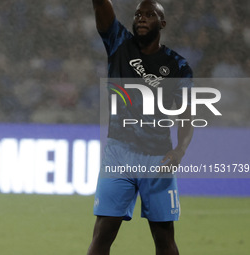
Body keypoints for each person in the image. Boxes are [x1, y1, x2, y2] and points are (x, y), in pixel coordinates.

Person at [88, 0, 194, 254]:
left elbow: (187, 116)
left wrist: (179, 150)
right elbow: (101, 7)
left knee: (164, 237)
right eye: (137, 15)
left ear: (162, 23)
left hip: (157, 156)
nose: (141, 18)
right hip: (119, 153)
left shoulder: (178, 67)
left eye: (149, 14)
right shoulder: (119, 44)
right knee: (103, 233)